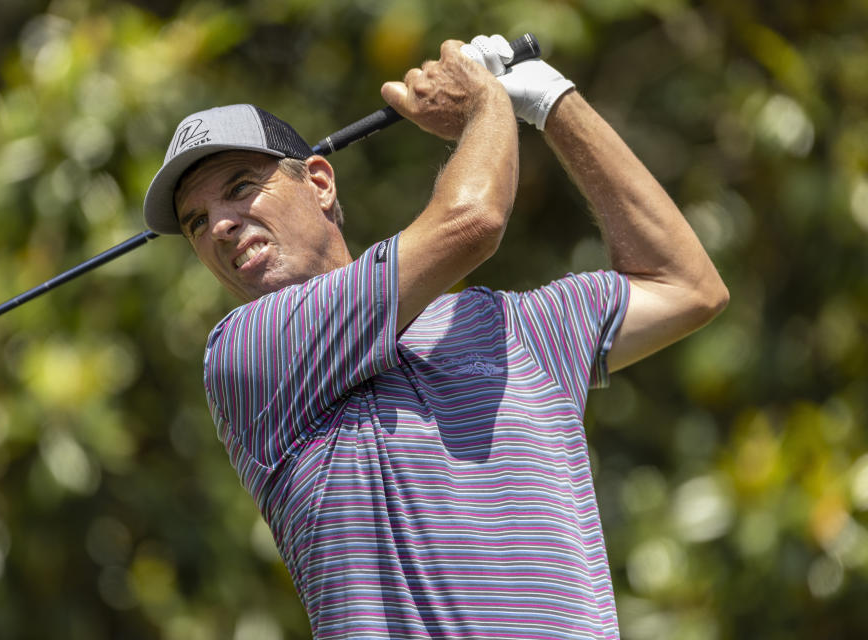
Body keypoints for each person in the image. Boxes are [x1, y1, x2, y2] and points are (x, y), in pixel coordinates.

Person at [143, 34, 728, 640]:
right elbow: (472, 221)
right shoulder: (250, 350)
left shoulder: (516, 328)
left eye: (240, 187)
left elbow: (687, 287)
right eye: (196, 222)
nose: (220, 225)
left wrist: (554, 103)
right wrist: (486, 105)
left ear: (319, 181)